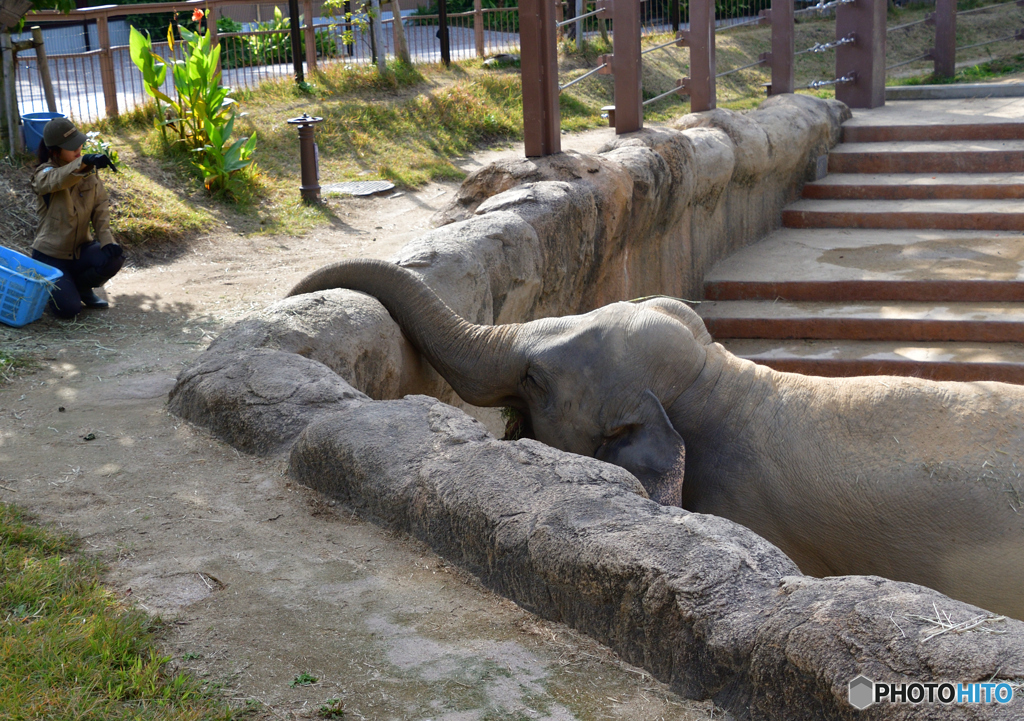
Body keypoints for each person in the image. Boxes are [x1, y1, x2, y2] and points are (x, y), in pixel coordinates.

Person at [30, 117, 123, 318]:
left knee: (114, 257)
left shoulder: (88, 171)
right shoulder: (44, 173)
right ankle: (60, 288)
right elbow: (56, 180)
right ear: (54, 150)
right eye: (71, 146)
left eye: (78, 143)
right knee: (69, 311)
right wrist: (83, 162)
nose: (78, 149)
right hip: (49, 258)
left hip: (80, 252)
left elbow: (100, 208)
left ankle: (79, 287)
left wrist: (107, 241)